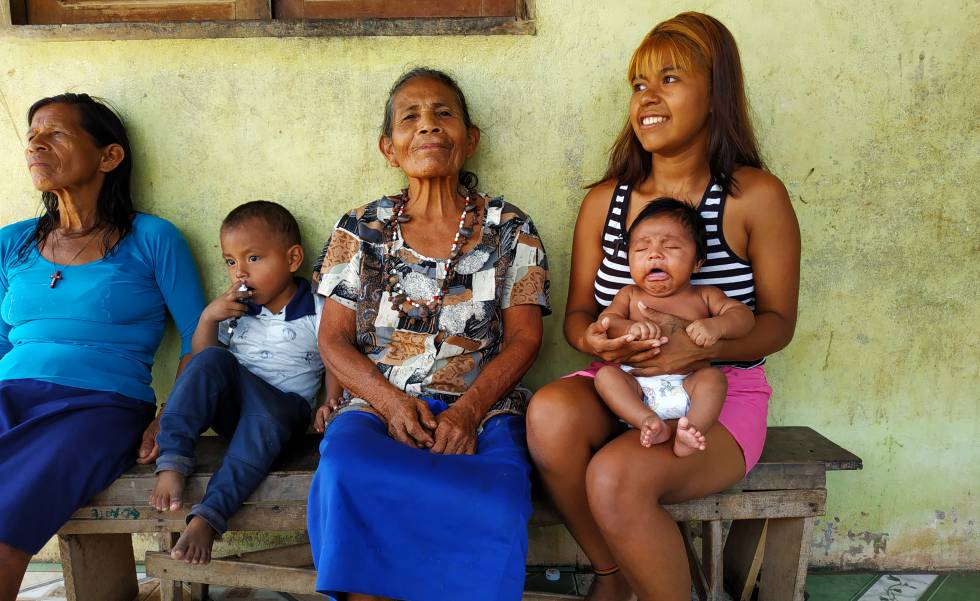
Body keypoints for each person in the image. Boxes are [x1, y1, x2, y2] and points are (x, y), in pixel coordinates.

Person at [526, 12, 801, 601]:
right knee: (548, 414)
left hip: (717, 394)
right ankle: (613, 572)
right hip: (624, 382)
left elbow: (779, 324)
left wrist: (700, 343)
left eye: (669, 79)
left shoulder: (753, 196)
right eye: (639, 84)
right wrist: (595, 341)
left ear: (715, 92)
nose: (647, 98)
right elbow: (577, 316)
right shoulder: (606, 201)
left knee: (615, 479)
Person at [307, 67, 550, 601]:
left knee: (497, 498)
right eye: (409, 118)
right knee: (348, 468)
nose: (428, 127)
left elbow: (525, 339)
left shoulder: (511, 228)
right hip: (376, 406)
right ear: (388, 148)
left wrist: (467, 411)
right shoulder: (360, 228)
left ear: (471, 139)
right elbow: (333, 340)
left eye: (444, 114)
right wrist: (391, 404)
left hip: (481, 410)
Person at [0, 93, 205, 600]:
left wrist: (170, 416)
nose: (36, 145)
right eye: (32, 136)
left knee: (4, 532)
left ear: (109, 157)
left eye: (56, 133)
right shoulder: (11, 242)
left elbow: (203, 338)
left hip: (97, 408)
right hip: (9, 397)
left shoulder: (152, 238)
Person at [149, 200, 338, 565]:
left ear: (293, 258)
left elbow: (333, 358)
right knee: (211, 358)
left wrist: (331, 401)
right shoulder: (234, 309)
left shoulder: (317, 307)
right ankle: (172, 460)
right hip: (236, 411)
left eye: (253, 259)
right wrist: (207, 319)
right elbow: (203, 364)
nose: (240, 273)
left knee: (264, 416)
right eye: (231, 261)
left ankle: (208, 517)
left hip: (283, 412)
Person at [591, 198, 754, 456]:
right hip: (638, 387)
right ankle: (646, 421)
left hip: (689, 384)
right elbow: (606, 324)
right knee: (606, 378)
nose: (654, 254)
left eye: (671, 246)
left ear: (697, 262)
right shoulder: (629, 295)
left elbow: (744, 317)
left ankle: (691, 432)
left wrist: (718, 325)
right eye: (641, 250)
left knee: (714, 380)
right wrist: (630, 328)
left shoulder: (705, 295)